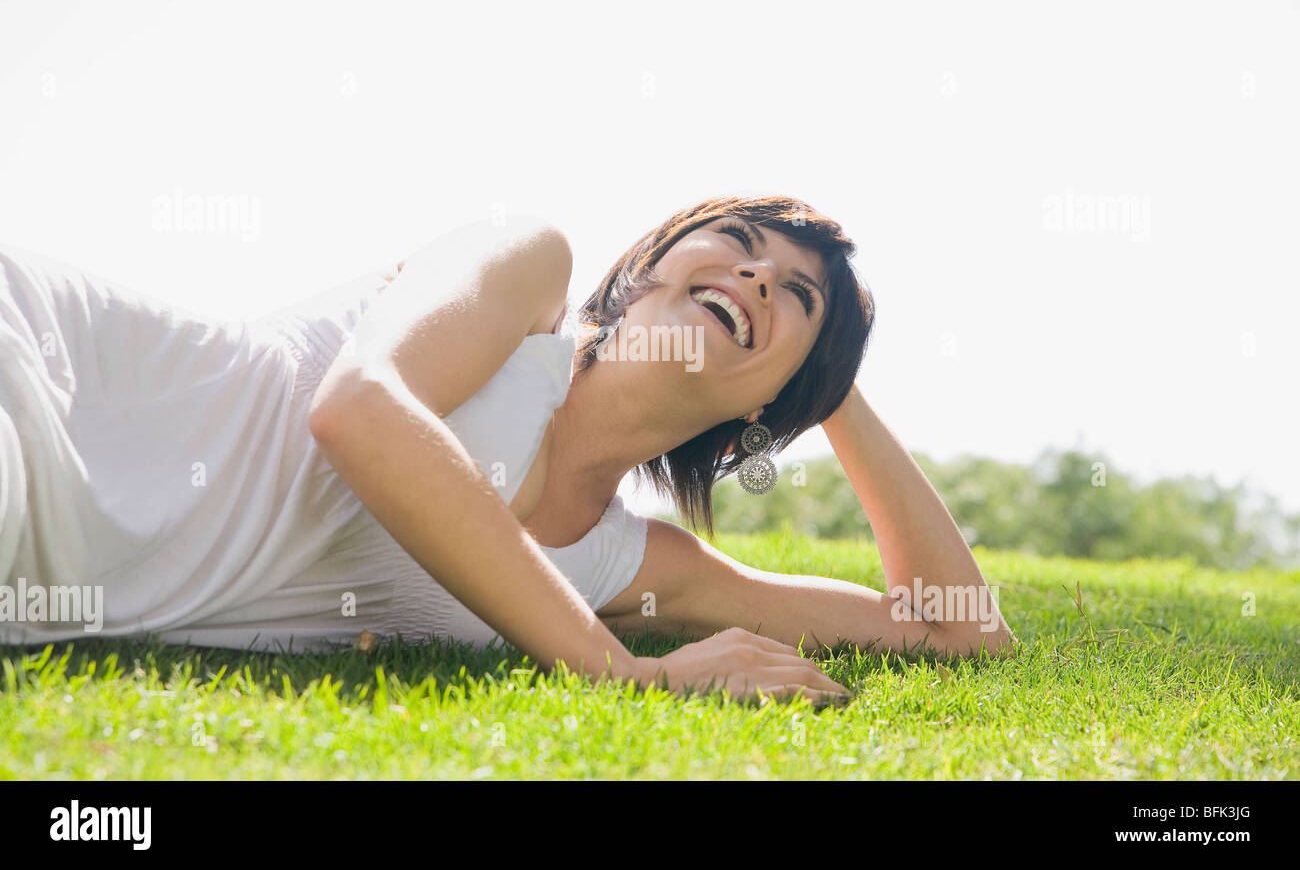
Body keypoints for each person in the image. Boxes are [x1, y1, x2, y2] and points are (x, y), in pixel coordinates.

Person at [0, 194, 1016, 707]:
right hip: (49, 387)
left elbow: (958, 633)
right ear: (648, 267)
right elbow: (361, 411)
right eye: (741, 246)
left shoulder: (632, 565)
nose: (757, 278)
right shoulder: (526, 274)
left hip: (49, 574)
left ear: (770, 411)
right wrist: (624, 674)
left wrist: (833, 391)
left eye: (795, 295)